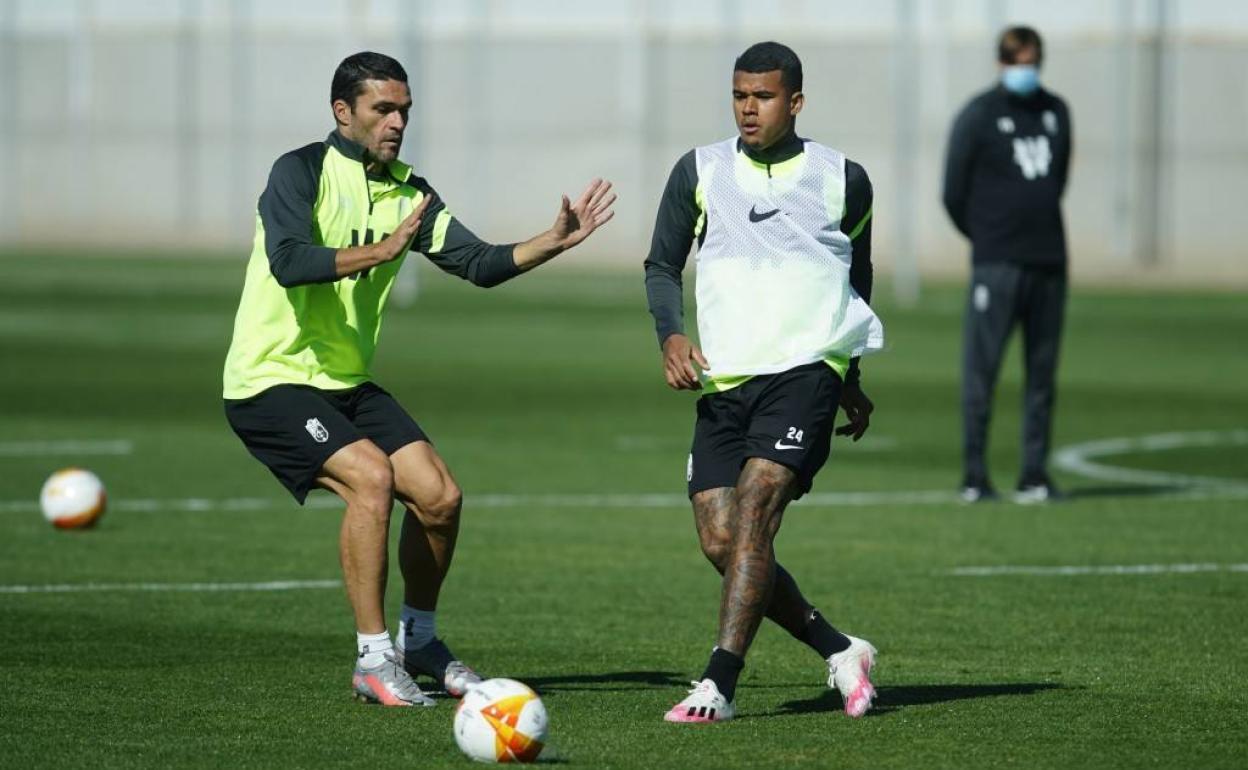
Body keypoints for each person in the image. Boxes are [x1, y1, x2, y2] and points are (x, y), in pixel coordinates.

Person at [222, 52, 615, 707]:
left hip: (344, 380)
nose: (397, 121)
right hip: (270, 379)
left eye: (404, 110)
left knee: (439, 496)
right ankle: (374, 661)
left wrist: (552, 240)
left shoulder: (410, 191)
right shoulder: (300, 171)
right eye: (383, 109)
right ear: (342, 112)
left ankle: (420, 642)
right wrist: (377, 252)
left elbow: (480, 263)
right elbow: (289, 261)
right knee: (372, 479)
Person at [643, 41, 884, 723]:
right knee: (722, 540)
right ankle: (838, 649)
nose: (749, 108)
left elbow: (854, 275)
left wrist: (850, 372)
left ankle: (718, 683)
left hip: (806, 369)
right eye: (740, 95)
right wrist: (671, 334)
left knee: (755, 510)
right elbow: (661, 264)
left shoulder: (844, 178)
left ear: (796, 101)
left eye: (765, 96)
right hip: (725, 379)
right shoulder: (700, 170)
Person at [942, 26, 1072, 504]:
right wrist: (989, 236)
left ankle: (1034, 474)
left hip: (1049, 260)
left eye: (1033, 60)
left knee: (1042, 375)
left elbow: (1056, 179)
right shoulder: (978, 115)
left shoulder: (1056, 112)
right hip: (996, 262)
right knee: (983, 372)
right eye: (1018, 60)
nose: (1026, 69)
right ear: (1002, 63)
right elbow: (953, 192)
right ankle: (976, 475)